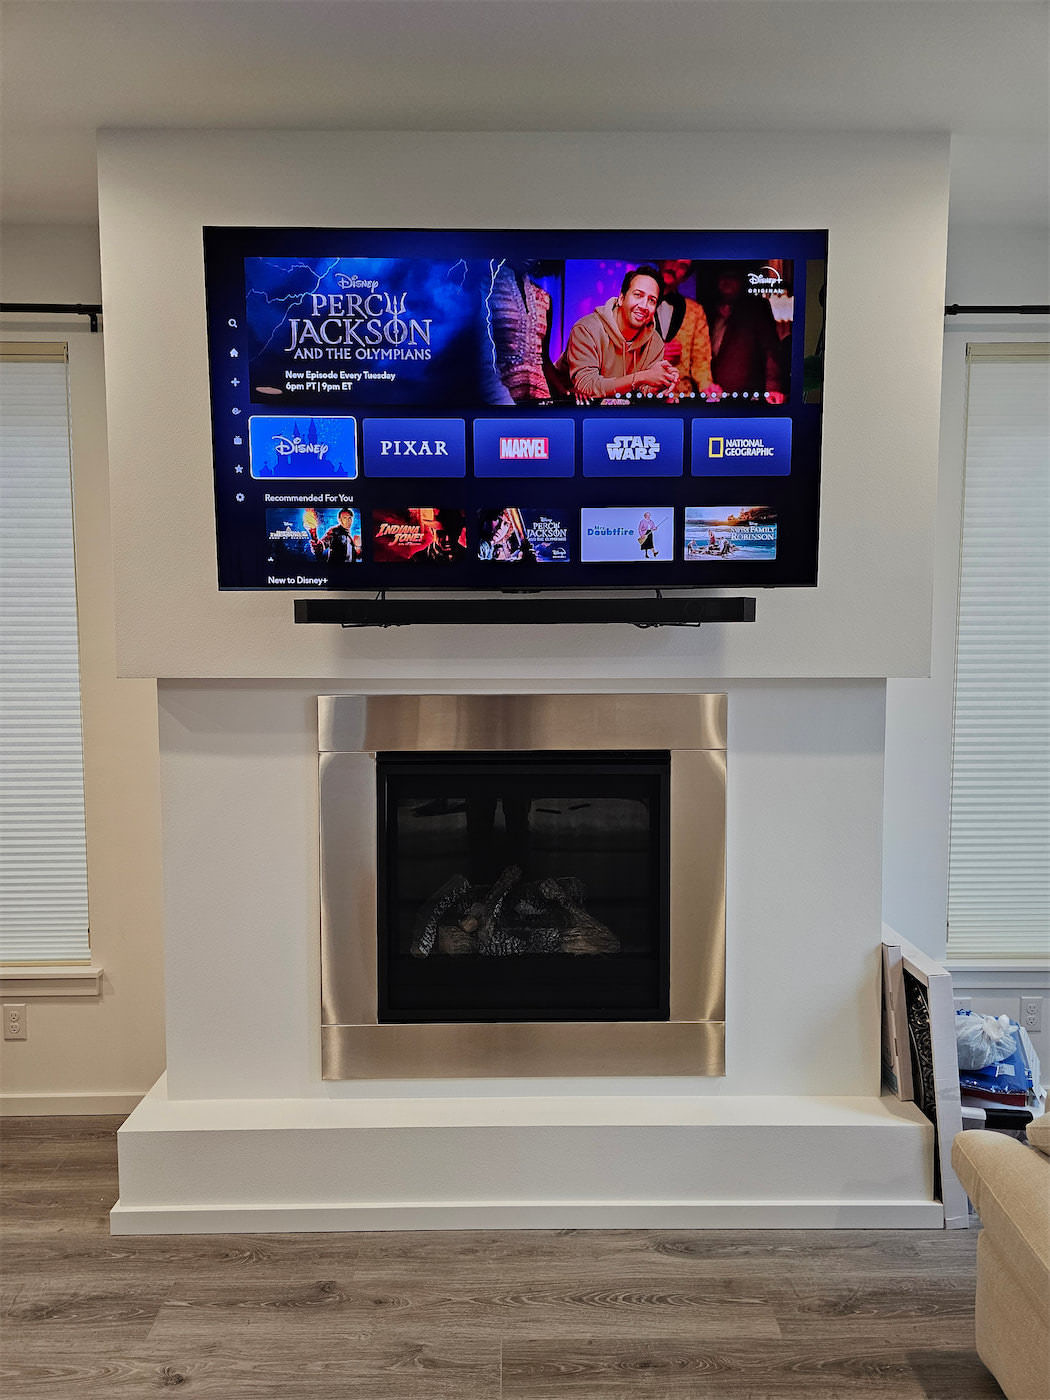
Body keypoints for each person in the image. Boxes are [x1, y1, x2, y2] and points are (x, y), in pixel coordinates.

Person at [554, 266, 678, 402]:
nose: (644, 306)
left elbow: (643, 390)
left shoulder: (655, 343)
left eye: (652, 300)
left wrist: (662, 384)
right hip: (568, 406)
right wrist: (644, 376)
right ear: (621, 298)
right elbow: (587, 386)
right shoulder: (586, 329)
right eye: (638, 295)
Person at [702, 265, 786, 403]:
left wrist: (773, 389)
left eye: (732, 276)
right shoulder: (707, 311)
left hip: (748, 398)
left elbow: (771, 350)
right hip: (712, 397)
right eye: (723, 276)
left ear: (741, 280)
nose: (727, 281)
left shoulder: (756, 308)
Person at [655, 259, 714, 400]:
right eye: (672, 259)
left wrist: (708, 388)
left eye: (682, 266)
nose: (673, 267)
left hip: (681, 397)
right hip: (641, 398)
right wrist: (655, 354)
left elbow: (701, 363)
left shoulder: (695, 311)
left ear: (686, 276)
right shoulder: (634, 304)